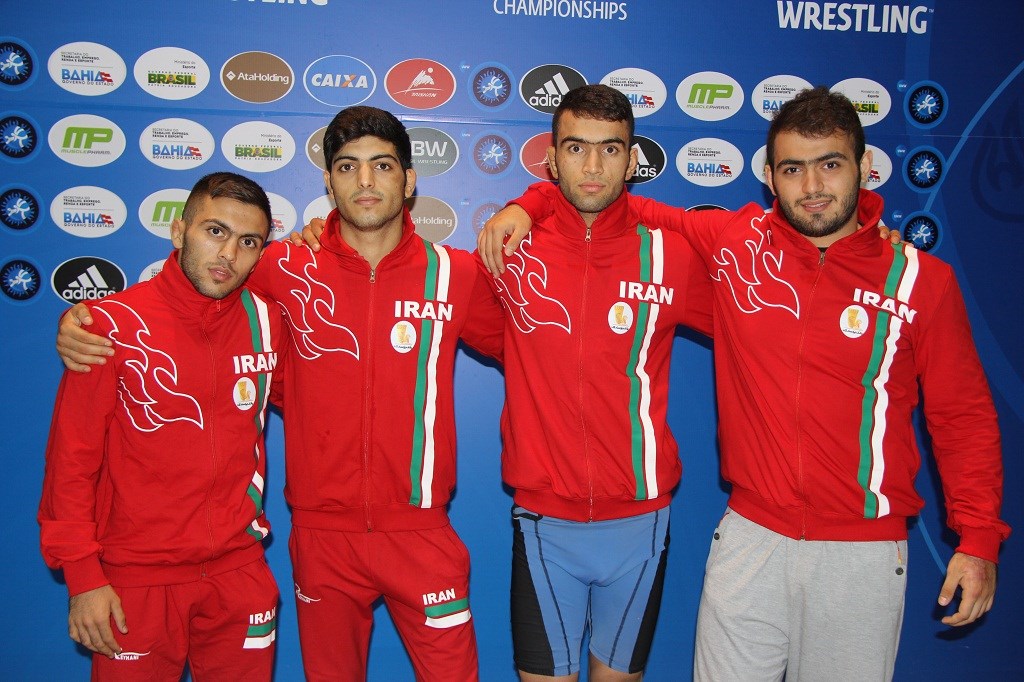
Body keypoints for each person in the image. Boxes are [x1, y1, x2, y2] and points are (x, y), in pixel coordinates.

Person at [480, 86, 1010, 681]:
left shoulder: (920, 281)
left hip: (861, 554)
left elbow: (962, 416)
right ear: (770, 177)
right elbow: (611, 202)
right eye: (793, 169)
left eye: (830, 164)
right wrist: (530, 203)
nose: (812, 187)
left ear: (865, 167)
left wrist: (978, 538)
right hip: (749, 540)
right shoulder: (738, 248)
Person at [57, 106, 504, 682]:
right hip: (320, 537)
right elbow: (187, 301)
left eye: (383, 165)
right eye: (347, 166)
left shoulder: (456, 274)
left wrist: (534, 205)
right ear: (328, 182)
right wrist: (82, 322)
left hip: (421, 531)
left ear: (410, 179)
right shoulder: (281, 265)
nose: (365, 181)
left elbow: (543, 352)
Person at [294, 85, 712, 682]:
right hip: (543, 522)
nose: (593, 166)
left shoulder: (671, 258)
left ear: (631, 159)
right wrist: (322, 235)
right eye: (576, 148)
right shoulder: (508, 253)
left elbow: (763, 333)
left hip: (642, 521)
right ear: (552, 159)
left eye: (611, 149)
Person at [39, 172, 284, 681]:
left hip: (239, 573)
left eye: (248, 242)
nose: (228, 254)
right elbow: (71, 460)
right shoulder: (109, 326)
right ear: (178, 231)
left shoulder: (268, 322)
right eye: (214, 231)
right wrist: (83, 577)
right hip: (134, 581)